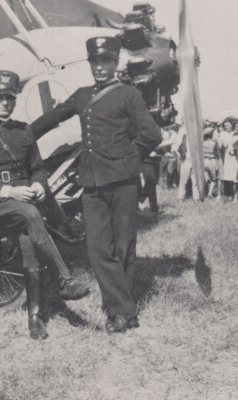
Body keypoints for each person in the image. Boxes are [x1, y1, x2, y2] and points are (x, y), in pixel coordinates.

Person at [31, 37, 162, 333]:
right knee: (97, 248)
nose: (100, 68)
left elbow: (152, 135)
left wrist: (128, 158)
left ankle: (117, 313)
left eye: (106, 62)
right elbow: (52, 118)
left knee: (123, 245)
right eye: (95, 63)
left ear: (115, 64)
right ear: (90, 64)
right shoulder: (82, 95)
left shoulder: (128, 94)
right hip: (91, 183)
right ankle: (126, 310)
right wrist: (22, 136)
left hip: (124, 181)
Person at [0, 70, 90, 340]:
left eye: (9, 97)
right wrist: (8, 191)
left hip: (24, 207)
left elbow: (38, 169)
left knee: (28, 242)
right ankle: (65, 280)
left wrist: (38, 186)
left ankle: (34, 319)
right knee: (31, 214)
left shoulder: (24, 131)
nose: (5, 102)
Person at [219, 118, 238, 202]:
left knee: (235, 175)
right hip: (228, 156)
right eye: (225, 126)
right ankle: (230, 194)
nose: (226, 127)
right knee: (229, 176)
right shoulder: (223, 133)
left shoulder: (235, 133)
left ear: (231, 125)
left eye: (228, 125)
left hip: (234, 156)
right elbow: (225, 144)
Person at [176, 123, 199, 201]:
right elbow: (177, 145)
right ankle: (181, 197)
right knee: (183, 179)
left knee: (195, 179)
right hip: (186, 158)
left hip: (195, 158)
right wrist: (179, 154)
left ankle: (196, 197)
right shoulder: (182, 130)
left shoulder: (196, 129)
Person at [203, 125, 219, 198]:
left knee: (205, 175)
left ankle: (205, 187)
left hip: (205, 159)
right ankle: (210, 193)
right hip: (213, 160)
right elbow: (217, 153)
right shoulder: (214, 142)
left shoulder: (203, 142)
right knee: (214, 179)